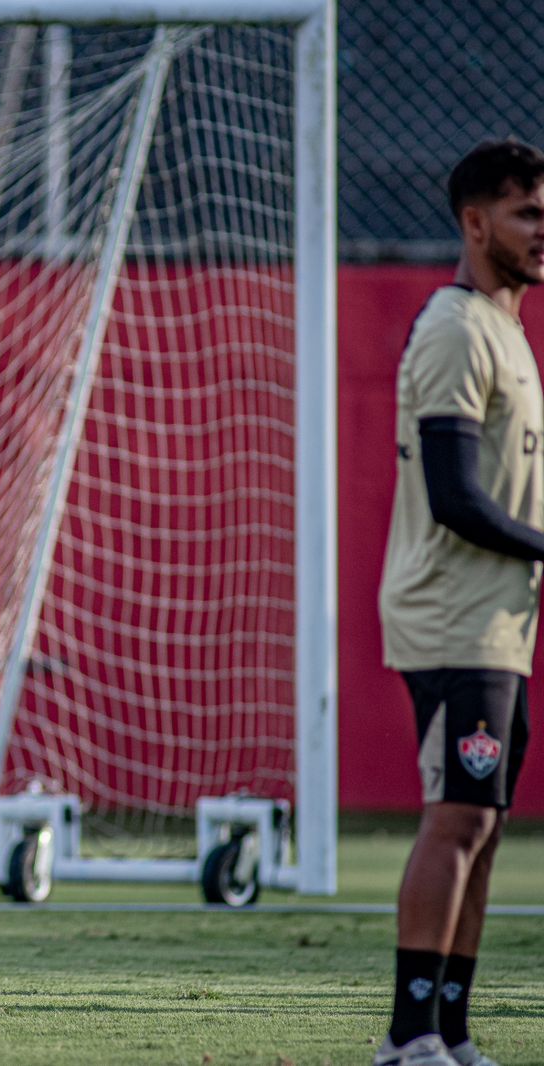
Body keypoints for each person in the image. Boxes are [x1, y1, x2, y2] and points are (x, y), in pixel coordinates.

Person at [376, 139, 544, 1066]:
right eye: (526, 214)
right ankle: (408, 1037)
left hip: (501, 615)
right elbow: (455, 498)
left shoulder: (507, 328)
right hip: (453, 612)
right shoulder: (455, 326)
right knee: (460, 815)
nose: (541, 231)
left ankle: (450, 1029)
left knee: (485, 822)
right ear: (475, 222)